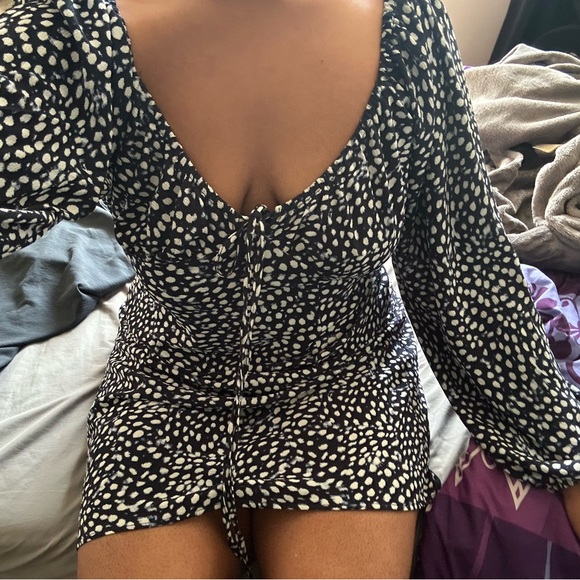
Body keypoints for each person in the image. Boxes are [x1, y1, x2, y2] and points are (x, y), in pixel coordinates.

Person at [0, 0, 578, 577]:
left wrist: (561, 449)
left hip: (347, 382)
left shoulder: (406, 26)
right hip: (169, 378)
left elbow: (463, 266)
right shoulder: (62, 39)